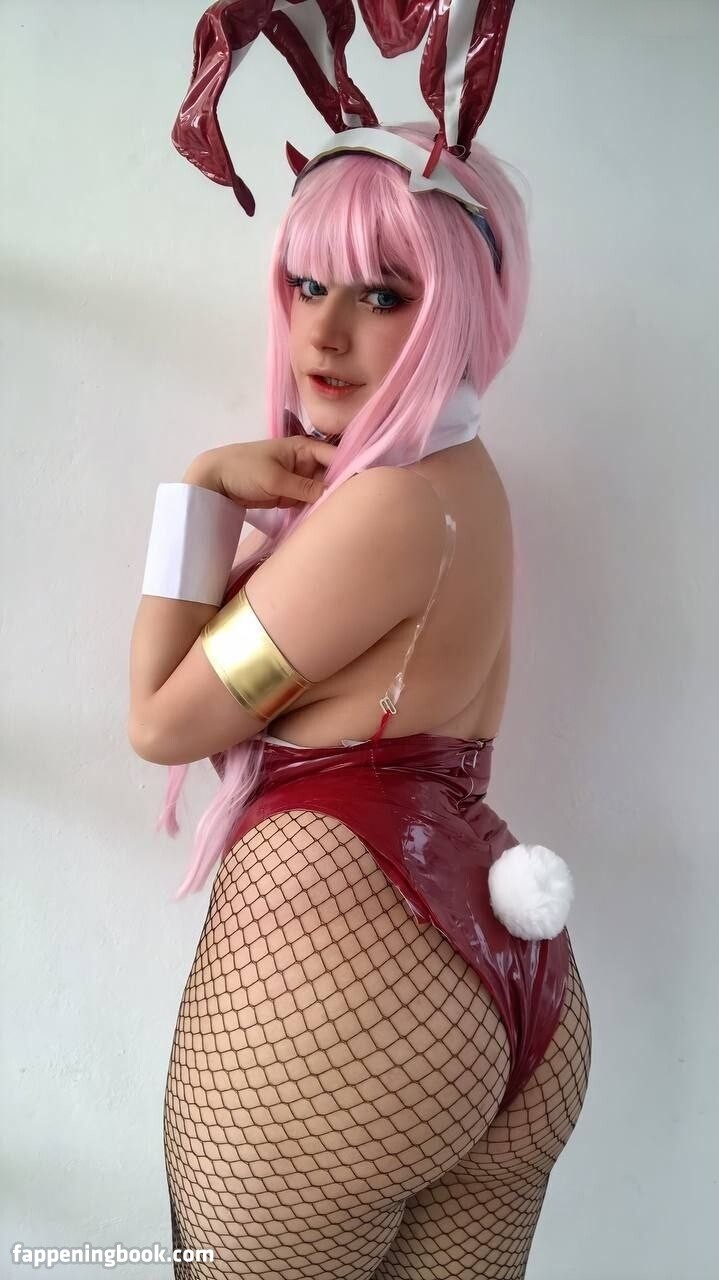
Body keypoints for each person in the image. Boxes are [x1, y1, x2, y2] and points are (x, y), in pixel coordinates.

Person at [131, 3, 593, 1275]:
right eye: (306, 283)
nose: (324, 333)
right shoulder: (465, 484)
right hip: (515, 1000)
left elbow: (161, 717)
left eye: (384, 294)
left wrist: (201, 494)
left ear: (459, 308)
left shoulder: (383, 509)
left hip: (341, 1014)